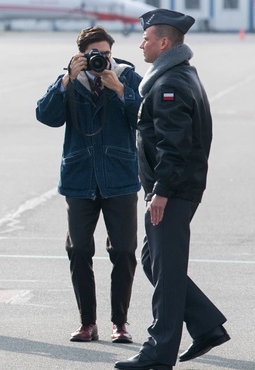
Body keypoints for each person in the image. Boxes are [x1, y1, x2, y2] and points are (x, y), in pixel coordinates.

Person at [115, 9, 230, 370]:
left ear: (164, 43)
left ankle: (159, 351)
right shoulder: (178, 75)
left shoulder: (168, 85)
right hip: (174, 188)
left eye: (147, 39)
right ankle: (206, 325)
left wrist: (161, 190)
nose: (141, 44)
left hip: (172, 191)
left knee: (166, 271)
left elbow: (174, 145)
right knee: (154, 261)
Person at [35, 26, 142, 343]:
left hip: (120, 177)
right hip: (80, 178)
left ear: (112, 51)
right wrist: (66, 79)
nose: (100, 60)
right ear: (81, 55)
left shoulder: (128, 77)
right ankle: (87, 323)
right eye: (93, 55)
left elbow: (144, 119)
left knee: (124, 251)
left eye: (105, 54)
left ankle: (119, 323)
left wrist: (120, 90)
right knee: (79, 249)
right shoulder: (69, 80)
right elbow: (46, 115)